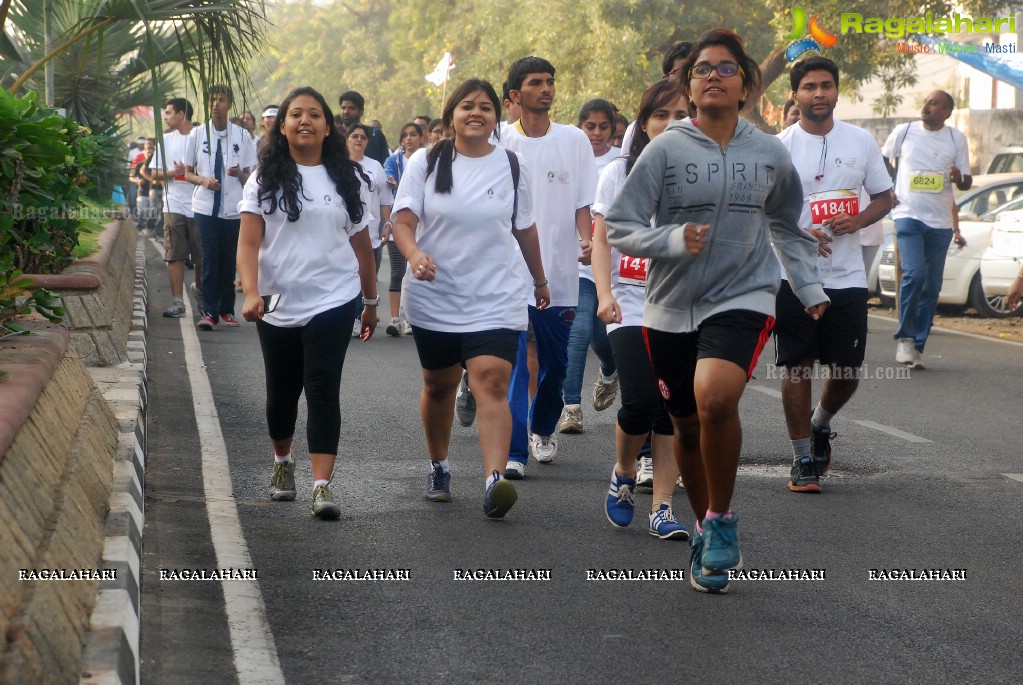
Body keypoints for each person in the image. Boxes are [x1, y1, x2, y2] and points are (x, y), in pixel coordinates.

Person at [604, 29, 828, 593]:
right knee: (684, 421)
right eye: (703, 68)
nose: (713, 76)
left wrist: (808, 286)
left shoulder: (769, 152)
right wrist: (673, 240)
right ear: (690, 83)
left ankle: (723, 519)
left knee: (716, 396)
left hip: (744, 293)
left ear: (746, 84)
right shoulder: (666, 149)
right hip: (668, 305)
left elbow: (785, 221)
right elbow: (621, 227)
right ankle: (705, 525)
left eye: (726, 68)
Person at [391, 78, 549, 518]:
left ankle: (493, 480)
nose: (476, 113)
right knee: (439, 385)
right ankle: (439, 466)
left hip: (496, 294)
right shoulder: (426, 161)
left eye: (485, 107)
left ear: (498, 117)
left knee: (492, 382)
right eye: (466, 106)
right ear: (451, 115)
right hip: (436, 295)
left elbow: (525, 229)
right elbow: (402, 223)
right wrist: (415, 254)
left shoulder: (512, 166)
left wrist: (539, 281)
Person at [237, 86, 378, 520]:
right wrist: (251, 291)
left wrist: (370, 301)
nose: (305, 121)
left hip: (335, 298)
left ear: (327, 125)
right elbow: (248, 239)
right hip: (277, 301)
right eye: (295, 114)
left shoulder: (347, 178)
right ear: (282, 126)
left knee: (321, 387)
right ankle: (283, 463)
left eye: (314, 114)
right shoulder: (264, 179)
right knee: (281, 393)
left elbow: (363, 246)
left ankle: (322, 486)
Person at [775, 56, 893, 493]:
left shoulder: (861, 141)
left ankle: (820, 424)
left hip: (846, 276)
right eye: (809, 87)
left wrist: (859, 221)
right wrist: (796, 231)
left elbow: (885, 197)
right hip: (793, 274)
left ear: (837, 92)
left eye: (826, 86)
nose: (818, 93)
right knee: (796, 366)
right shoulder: (779, 145)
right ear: (795, 94)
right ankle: (802, 458)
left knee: (847, 370)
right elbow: (762, 210)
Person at [593, 78, 690, 540]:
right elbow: (601, 238)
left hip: (679, 305)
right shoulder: (617, 173)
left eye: (681, 115)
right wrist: (604, 292)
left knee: (671, 408)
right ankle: (624, 471)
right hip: (628, 305)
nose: (671, 124)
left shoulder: (704, 173)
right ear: (643, 123)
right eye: (661, 115)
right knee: (640, 400)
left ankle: (664, 507)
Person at [500, 56, 597, 477]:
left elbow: (582, 202)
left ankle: (542, 426)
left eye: (550, 81)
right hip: (509, 274)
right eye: (536, 82)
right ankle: (514, 453)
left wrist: (587, 237)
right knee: (517, 365)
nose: (547, 88)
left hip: (559, 273)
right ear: (516, 95)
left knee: (558, 365)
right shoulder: (501, 141)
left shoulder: (574, 140)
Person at [882, 90, 971, 368]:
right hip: (908, 215)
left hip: (941, 222)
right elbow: (882, 160)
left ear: (947, 112)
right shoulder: (904, 131)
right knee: (914, 274)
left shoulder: (957, 139)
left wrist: (959, 178)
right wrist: (888, 188)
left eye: (933, 104)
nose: (926, 107)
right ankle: (906, 338)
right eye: (925, 102)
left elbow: (966, 181)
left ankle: (919, 344)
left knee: (932, 286)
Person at [557, 97, 621, 434]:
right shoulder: (569, 159)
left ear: (613, 129)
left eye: (603, 126)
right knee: (579, 331)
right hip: (578, 264)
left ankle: (610, 371)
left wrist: (602, 247)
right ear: (580, 127)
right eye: (590, 126)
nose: (596, 133)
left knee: (603, 335)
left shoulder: (623, 162)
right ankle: (571, 407)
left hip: (617, 269)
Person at [184, 84, 257, 330]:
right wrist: (203, 180)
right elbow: (187, 173)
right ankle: (209, 311)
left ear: (229, 104)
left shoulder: (242, 135)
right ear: (208, 104)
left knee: (228, 259)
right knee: (209, 257)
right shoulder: (197, 134)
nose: (217, 104)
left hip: (234, 207)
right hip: (205, 208)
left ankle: (227, 309)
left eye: (222, 100)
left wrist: (239, 174)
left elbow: (250, 176)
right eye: (213, 99)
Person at [149, 98, 201, 318]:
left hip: (201, 204)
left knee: (201, 257)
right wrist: (174, 173)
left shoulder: (201, 137)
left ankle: (201, 294)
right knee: (174, 254)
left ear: (181, 114)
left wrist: (190, 172)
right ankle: (178, 302)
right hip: (173, 203)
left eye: (169, 112)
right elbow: (154, 174)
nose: (165, 117)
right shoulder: (165, 140)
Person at [347, 122, 392, 335]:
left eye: (362, 137)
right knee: (349, 274)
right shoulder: (339, 165)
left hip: (371, 230)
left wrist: (387, 223)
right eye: (354, 136)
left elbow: (384, 198)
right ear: (347, 140)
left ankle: (362, 313)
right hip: (346, 230)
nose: (358, 140)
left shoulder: (375, 166)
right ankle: (352, 317)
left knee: (366, 275)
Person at [383, 122, 426, 336]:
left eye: (413, 135)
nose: (409, 139)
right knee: (398, 271)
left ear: (421, 137)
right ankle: (395, 318)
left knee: (416, 271)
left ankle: (410, 319)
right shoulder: (394, 160)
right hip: (398, 222)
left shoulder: (428, 160)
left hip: (421, 226)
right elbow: (389, 178)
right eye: (405, 135)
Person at [338, 91, 390, 165]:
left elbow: (385, 163)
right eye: (343, 108)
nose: (346, 111)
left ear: (361, 111)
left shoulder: (375, 135)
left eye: (351, 108)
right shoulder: (332, 134)